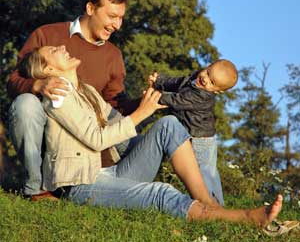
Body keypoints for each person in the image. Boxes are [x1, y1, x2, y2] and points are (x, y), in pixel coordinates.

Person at [16, 45, 283, 226]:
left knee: (168, 124)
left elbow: (115, 123)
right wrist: (142, 113)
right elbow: (96, 138)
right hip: (81, 185)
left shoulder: (84, 89)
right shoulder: (58, 96)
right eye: (53, 51)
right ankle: (245, 217)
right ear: (48, 70)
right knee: (160, 192)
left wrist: (147, 108)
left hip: (112, 174)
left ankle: (207, 201)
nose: (62, 47)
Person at [7, 0, 138, 200]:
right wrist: (37, 85)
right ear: (90, 9)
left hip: (83, 139)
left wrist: (146, 100)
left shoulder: (113, 55)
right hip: (48, 127)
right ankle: (36, 188)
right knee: (25, 105)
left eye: (121, 18)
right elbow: (13, 80)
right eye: (112, 16)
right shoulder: (47, 35)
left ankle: (87, 183)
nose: (117, 25)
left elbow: (114, 104)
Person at [148, 60, 238, 205]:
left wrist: (156, 96)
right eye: (207, 72)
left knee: (205, 173)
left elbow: (178, 100)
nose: (205, 79)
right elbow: (178, 82)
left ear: (217, 91)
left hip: (201, 141)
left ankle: (213, 204)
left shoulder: (202, 97)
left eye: (211, 82)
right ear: (208, 66)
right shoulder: (195, 78)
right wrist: (159, 81)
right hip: (192, 134)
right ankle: (211, 204)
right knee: (204, 172)